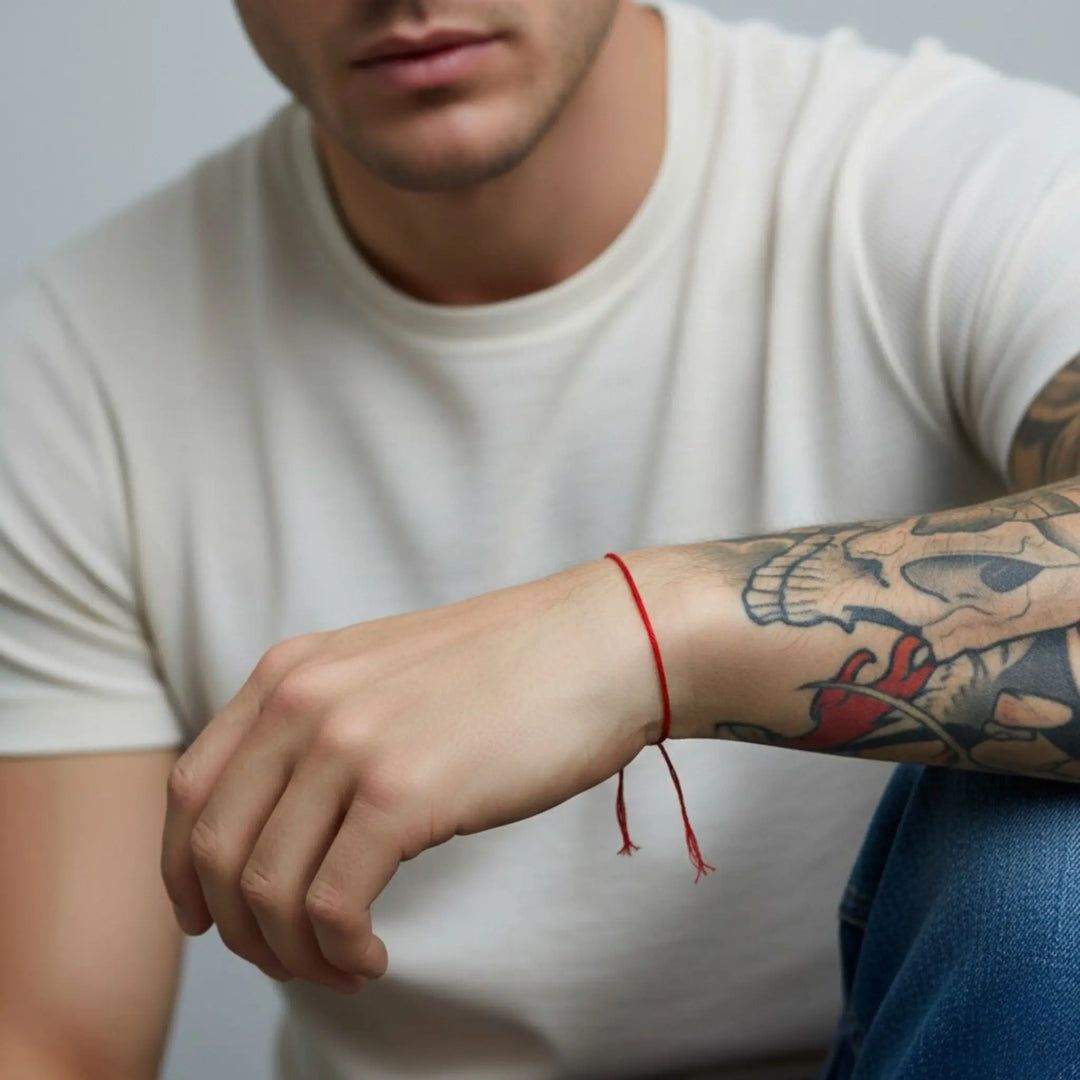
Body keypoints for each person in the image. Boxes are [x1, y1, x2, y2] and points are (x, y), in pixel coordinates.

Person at [3, 0, 1080, 1077]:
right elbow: (58, 1041)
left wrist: (647, 637)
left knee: (1050, 860)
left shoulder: (952, 183)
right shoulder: (82, 367)